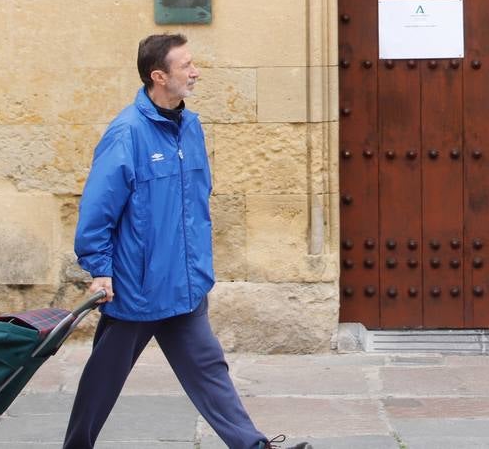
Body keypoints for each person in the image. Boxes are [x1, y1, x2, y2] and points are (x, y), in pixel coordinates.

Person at [63, 33, 312, 448]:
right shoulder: (126, 134)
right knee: (103, 379)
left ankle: (253, 445)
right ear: (158, 76)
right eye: (186, 66)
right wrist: (99, 269)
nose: (195, 72)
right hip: (137, 289)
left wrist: (198, 264)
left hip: (185, 284)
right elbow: (97, 210)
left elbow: (195, 206)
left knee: (210, 369)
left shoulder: (190, 128)